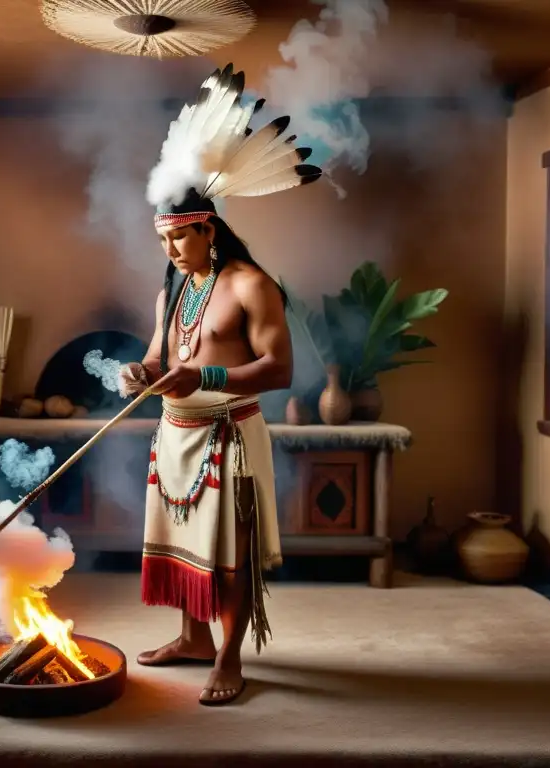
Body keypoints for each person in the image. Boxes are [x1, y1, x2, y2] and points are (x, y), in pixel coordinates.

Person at [118, 64, 322, 706]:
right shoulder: (173, 288)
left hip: (229, 439)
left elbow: (280, 370)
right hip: (174, 435)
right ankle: (192, 638)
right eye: (165, 240)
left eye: (182, 237)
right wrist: (141, 374)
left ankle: (229, 655)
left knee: (226, 553)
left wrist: (203, 375)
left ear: (209, 226)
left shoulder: (251, 285)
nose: (173, 250)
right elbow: (159, 356)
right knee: (182, 547)